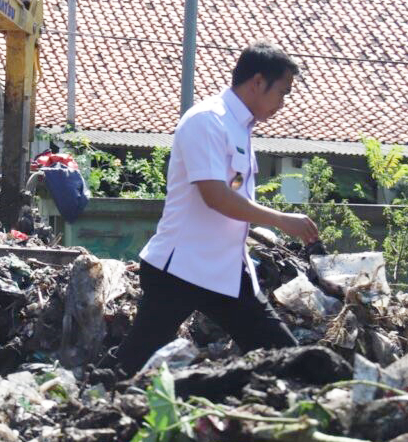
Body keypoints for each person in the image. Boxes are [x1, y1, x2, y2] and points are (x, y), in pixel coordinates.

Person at [113, 43, 320, 375]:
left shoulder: (239, 127)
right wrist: (281, 220)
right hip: (179, 269)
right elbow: (216, 196)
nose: (283, 103)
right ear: (257, 82)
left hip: (225, 270)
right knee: (131, 363)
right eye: (282, 92)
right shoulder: (207, 120)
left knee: (284, 354)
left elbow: (231, 193)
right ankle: (87, 400)